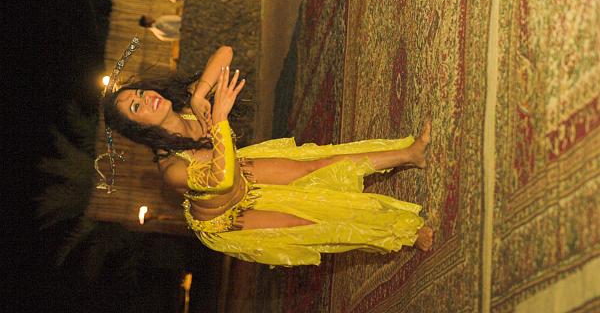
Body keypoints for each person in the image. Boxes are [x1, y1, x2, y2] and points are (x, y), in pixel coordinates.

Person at [103, 46, 434, 266]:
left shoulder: (189, 107)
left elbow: (225, 52)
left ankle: (409, 154)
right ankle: (405, 235)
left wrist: (201, 94)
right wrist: (219, 118)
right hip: (229, 218)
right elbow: (221, 179)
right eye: (136, 107)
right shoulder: (171, 169)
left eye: (140, 92)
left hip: (242, 172)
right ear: (138, 128)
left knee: (317, 165)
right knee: (313, 226)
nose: (147, 99)